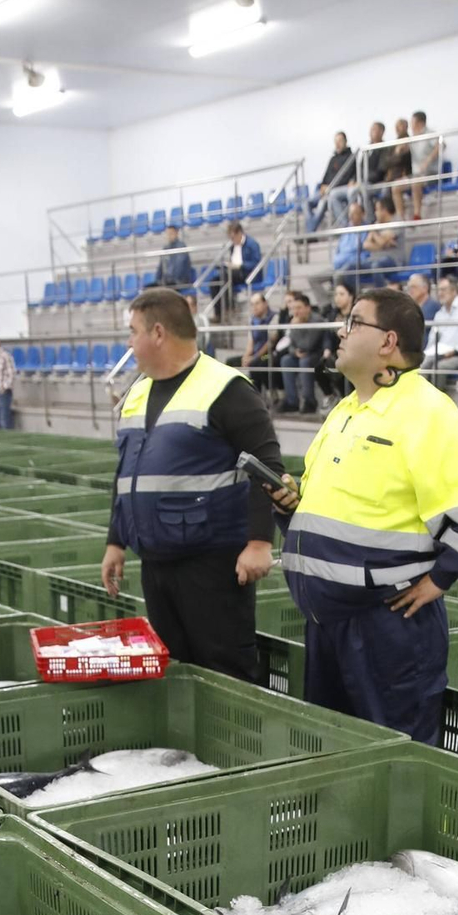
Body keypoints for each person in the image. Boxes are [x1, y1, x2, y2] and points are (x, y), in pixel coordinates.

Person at [267, 285, 458, 744]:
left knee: (395, 759)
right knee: (332, 753)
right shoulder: (347, 411)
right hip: (327, 624)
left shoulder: (429, 414)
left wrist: (440, 580)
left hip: (387, 629)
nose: (340, 329)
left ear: (388, 342)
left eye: (353, 322)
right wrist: (294, 505)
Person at [101, 287, 283, 682]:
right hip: (156, 562)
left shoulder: (227, 388)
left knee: (224, 671)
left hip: (212, 564)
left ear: (159, 333)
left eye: (133, 332)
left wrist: (258, 543)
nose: (129, 343)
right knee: (173, 670)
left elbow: (265, 467)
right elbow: (127, 472)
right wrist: (116, 540)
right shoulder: (138, 390)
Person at [277, 289, 326, 415]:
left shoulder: (317, 320)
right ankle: (292, 401)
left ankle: (310, 401)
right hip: (301, 354)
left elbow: (308, 344)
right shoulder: (295, 320)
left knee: (305, 362)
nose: (296, 312)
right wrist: (294, 352)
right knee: (286, 360)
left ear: (308, 307)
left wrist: (295, 327)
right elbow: (291, 345)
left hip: (317, 354)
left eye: (299, 308)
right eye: (293, 309)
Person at [422, 275, 458, 382]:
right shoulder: (439, 314)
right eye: (438, 290)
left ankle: (437, 398)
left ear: (454, 290)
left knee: (439, 367)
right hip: (441, 354)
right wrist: (426, 354)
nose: (440, 293)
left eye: (443, 290)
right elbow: (432, 340)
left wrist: (454, 351)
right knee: (422, 365)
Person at [308, 129, 358, 232]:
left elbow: (345, 178)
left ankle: (344, 228)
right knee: (306, 202)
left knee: (324, 201)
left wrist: (330, 188)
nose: (337, 144)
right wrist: (323, 186)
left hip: (338, 189)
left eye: (340, 141)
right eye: (336, 142)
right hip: (327, 190)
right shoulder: (333, 159)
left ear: (345, 142)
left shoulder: (351, 157)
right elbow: (325, 177)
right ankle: (310, 230)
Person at [216, 219, 261, 313]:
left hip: (247, 273)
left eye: (233, 238)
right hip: (234, 272)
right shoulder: (232, 246)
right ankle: (219, 313)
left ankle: (230, 308)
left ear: (239, 233)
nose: (232, 240)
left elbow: (256, 263)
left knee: (225, 276)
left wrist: (240, 265)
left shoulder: (252, 244)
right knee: (215, 280)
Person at [407, 110, 440, 220]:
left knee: (415, 184)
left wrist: (428, 160)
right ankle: (401, 219)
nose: (411, 125)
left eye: (412, 122)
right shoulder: (412, 138)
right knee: (395, 187)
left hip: (430, 172)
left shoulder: (429, 134)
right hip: (416, 174)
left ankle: (417, 214)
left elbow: (441, 145)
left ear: (420, 123)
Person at [365, 196, 406, 280]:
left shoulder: (397, 221)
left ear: (384, 210)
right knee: (351, 267)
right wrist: (384, 244)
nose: (375, 213)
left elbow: (381, 242)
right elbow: (366, 245)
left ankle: (379, 293)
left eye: (377, 209)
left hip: (393, 261)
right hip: (374, 259)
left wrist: (373, 232)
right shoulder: (376, 224)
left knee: (376, 266)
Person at [332, 197, 369, 288]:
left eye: (354, 213)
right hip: (338, 265)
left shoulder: (367, 230)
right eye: (350, 213)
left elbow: (362, 254)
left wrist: (342, 261)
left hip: (355, 265)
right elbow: (339, 251)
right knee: (314, 279)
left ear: (362, 214)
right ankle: (324, 302)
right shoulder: (346, 230)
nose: (351, 216)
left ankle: (341, 301)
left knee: (338, 276)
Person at [362, 120, 392, 207]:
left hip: (378, 182)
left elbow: (381, 170)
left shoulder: (385, 149)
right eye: (371, 130)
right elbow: (360, 167)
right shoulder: (366, 150)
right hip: (365, 182)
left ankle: (371, 217)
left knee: (364, 189)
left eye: (374, 129)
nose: (371, 132)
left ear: (381, 132)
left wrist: (365, 179)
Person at [155, 225, 194, 290]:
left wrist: (171, 280)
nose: (169, 236)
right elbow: (161, 266)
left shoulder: (181, 246)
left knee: (168, 288)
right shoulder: (165, 248)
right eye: (168, 234)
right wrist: (158, 280)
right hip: (167, 282)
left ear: (176, 233)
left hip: (179, 281)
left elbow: (180, 266)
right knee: (148, 288)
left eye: (171, 233)